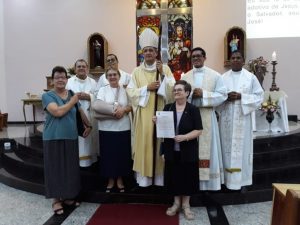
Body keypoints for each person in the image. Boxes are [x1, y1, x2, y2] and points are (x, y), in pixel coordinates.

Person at [127, 28, 175, 187]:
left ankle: (159, 179)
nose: (148, 53)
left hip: (160, 113)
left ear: (156, 53)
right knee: (145, 143)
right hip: (143, 116)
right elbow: (131, 93)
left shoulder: (165, 69)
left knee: (159, 143)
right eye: (146, 50)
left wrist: (161, 76)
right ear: (142, 53)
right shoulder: (136, 72)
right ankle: (145, 180)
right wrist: (146, 88)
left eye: (151, 50)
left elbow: (172, 90)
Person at [42, 66, 92, 215]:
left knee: (70, 169)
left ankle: (68, 196)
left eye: (63, 77)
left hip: (70, 136)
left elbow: (80, 111)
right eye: (57, 77)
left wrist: (88, 124)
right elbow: (57, 112)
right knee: (55, 169)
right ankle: (56, 200)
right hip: (53, 137)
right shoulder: (47, 96)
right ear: (52, 80)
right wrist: (73, 100)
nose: (60, 80)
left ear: (66, 79)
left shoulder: (70, 94)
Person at [153, 80, 202, 220]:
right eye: (174, 90)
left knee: (187, 177)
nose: (176, 92)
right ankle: (175, 204)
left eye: (179, 90)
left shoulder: (193, 109)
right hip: (171, 150)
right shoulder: (167, 108)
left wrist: (185, 137)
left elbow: (199, 130)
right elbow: (162, 132)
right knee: (173, 177)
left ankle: (186, 205)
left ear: (187, 93)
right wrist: (157, 121)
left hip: (188, 151)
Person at [181, 47, 227, 191]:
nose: (196, 58)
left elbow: (222, 95)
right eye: (193, 56)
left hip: (207, 116)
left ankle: (209, 185)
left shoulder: (215, 75)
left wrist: (204, 94)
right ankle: (192, 181)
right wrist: (190, 96)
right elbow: (179, 94)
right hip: (190, 117)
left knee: (208, 148)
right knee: (192, 149)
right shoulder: (185, 77)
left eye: (199, 56)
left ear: (204, 57)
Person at [217, 50, 264, 190]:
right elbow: (217, 96)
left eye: (238, 58)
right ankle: (226, 181)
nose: (236, 60)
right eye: (233, 58)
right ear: (229, 61)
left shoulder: (251, 78)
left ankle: (241, 182)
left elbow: (259, 97)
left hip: (243, 120)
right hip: (226, 119)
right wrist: (226, 97)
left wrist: (242, 97)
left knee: (242, 150)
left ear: (243, 61)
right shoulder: (222, 77)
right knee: (226, 149)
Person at [95, 68, 132, 192]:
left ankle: (120, 179)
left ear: (119, 76)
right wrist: (114, 111)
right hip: (106, 127)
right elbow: (98, 105)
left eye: (114, 74)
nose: (112, 77)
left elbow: (131, 105)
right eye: (109, 75)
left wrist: (124, 110)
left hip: (123, 127)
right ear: (106, 77)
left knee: (121, 154)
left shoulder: (126, 90)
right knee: (108, 155)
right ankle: (110, 179)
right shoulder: (102, 90)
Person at [66, 59, 98, 167]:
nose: (81, 68)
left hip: (90, 115)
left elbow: (98, 98)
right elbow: (64, 97)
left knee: (88, 140)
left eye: (83, 66)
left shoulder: (93, 82)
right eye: (79, 66)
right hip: (74, 116)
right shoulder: (69, 82)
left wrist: (89, 96)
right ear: (75, 69)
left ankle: (90, 161)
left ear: (87, 68)